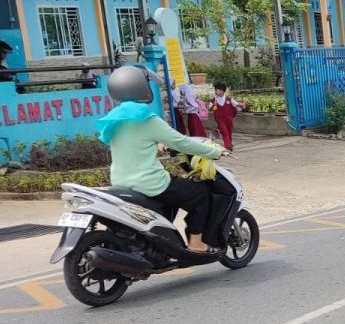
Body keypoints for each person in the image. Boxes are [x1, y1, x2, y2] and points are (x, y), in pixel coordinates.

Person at [97, 65, 224, 253]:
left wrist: (155, 144)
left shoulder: (113, 119)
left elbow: (131, 144)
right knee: (199, 195)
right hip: (149, 182)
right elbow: (181, 142)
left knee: (175, 192)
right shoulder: (146, 119)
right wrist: (213, 152)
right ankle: (196, 243)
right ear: (140, 88)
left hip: (120, 181)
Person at [210, 82, 245, 151]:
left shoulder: (229, 99)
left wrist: (242, 105)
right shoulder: (214, 100)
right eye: (215, 90)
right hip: (220, 119)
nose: (216, 91)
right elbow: (210, 108)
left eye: (218, 90)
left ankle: (229, 142)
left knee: (229, 131)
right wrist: (212, 105)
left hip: (229, 119)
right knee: (224, 131)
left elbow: (236, 104)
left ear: (222, 91)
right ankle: (228, 146)